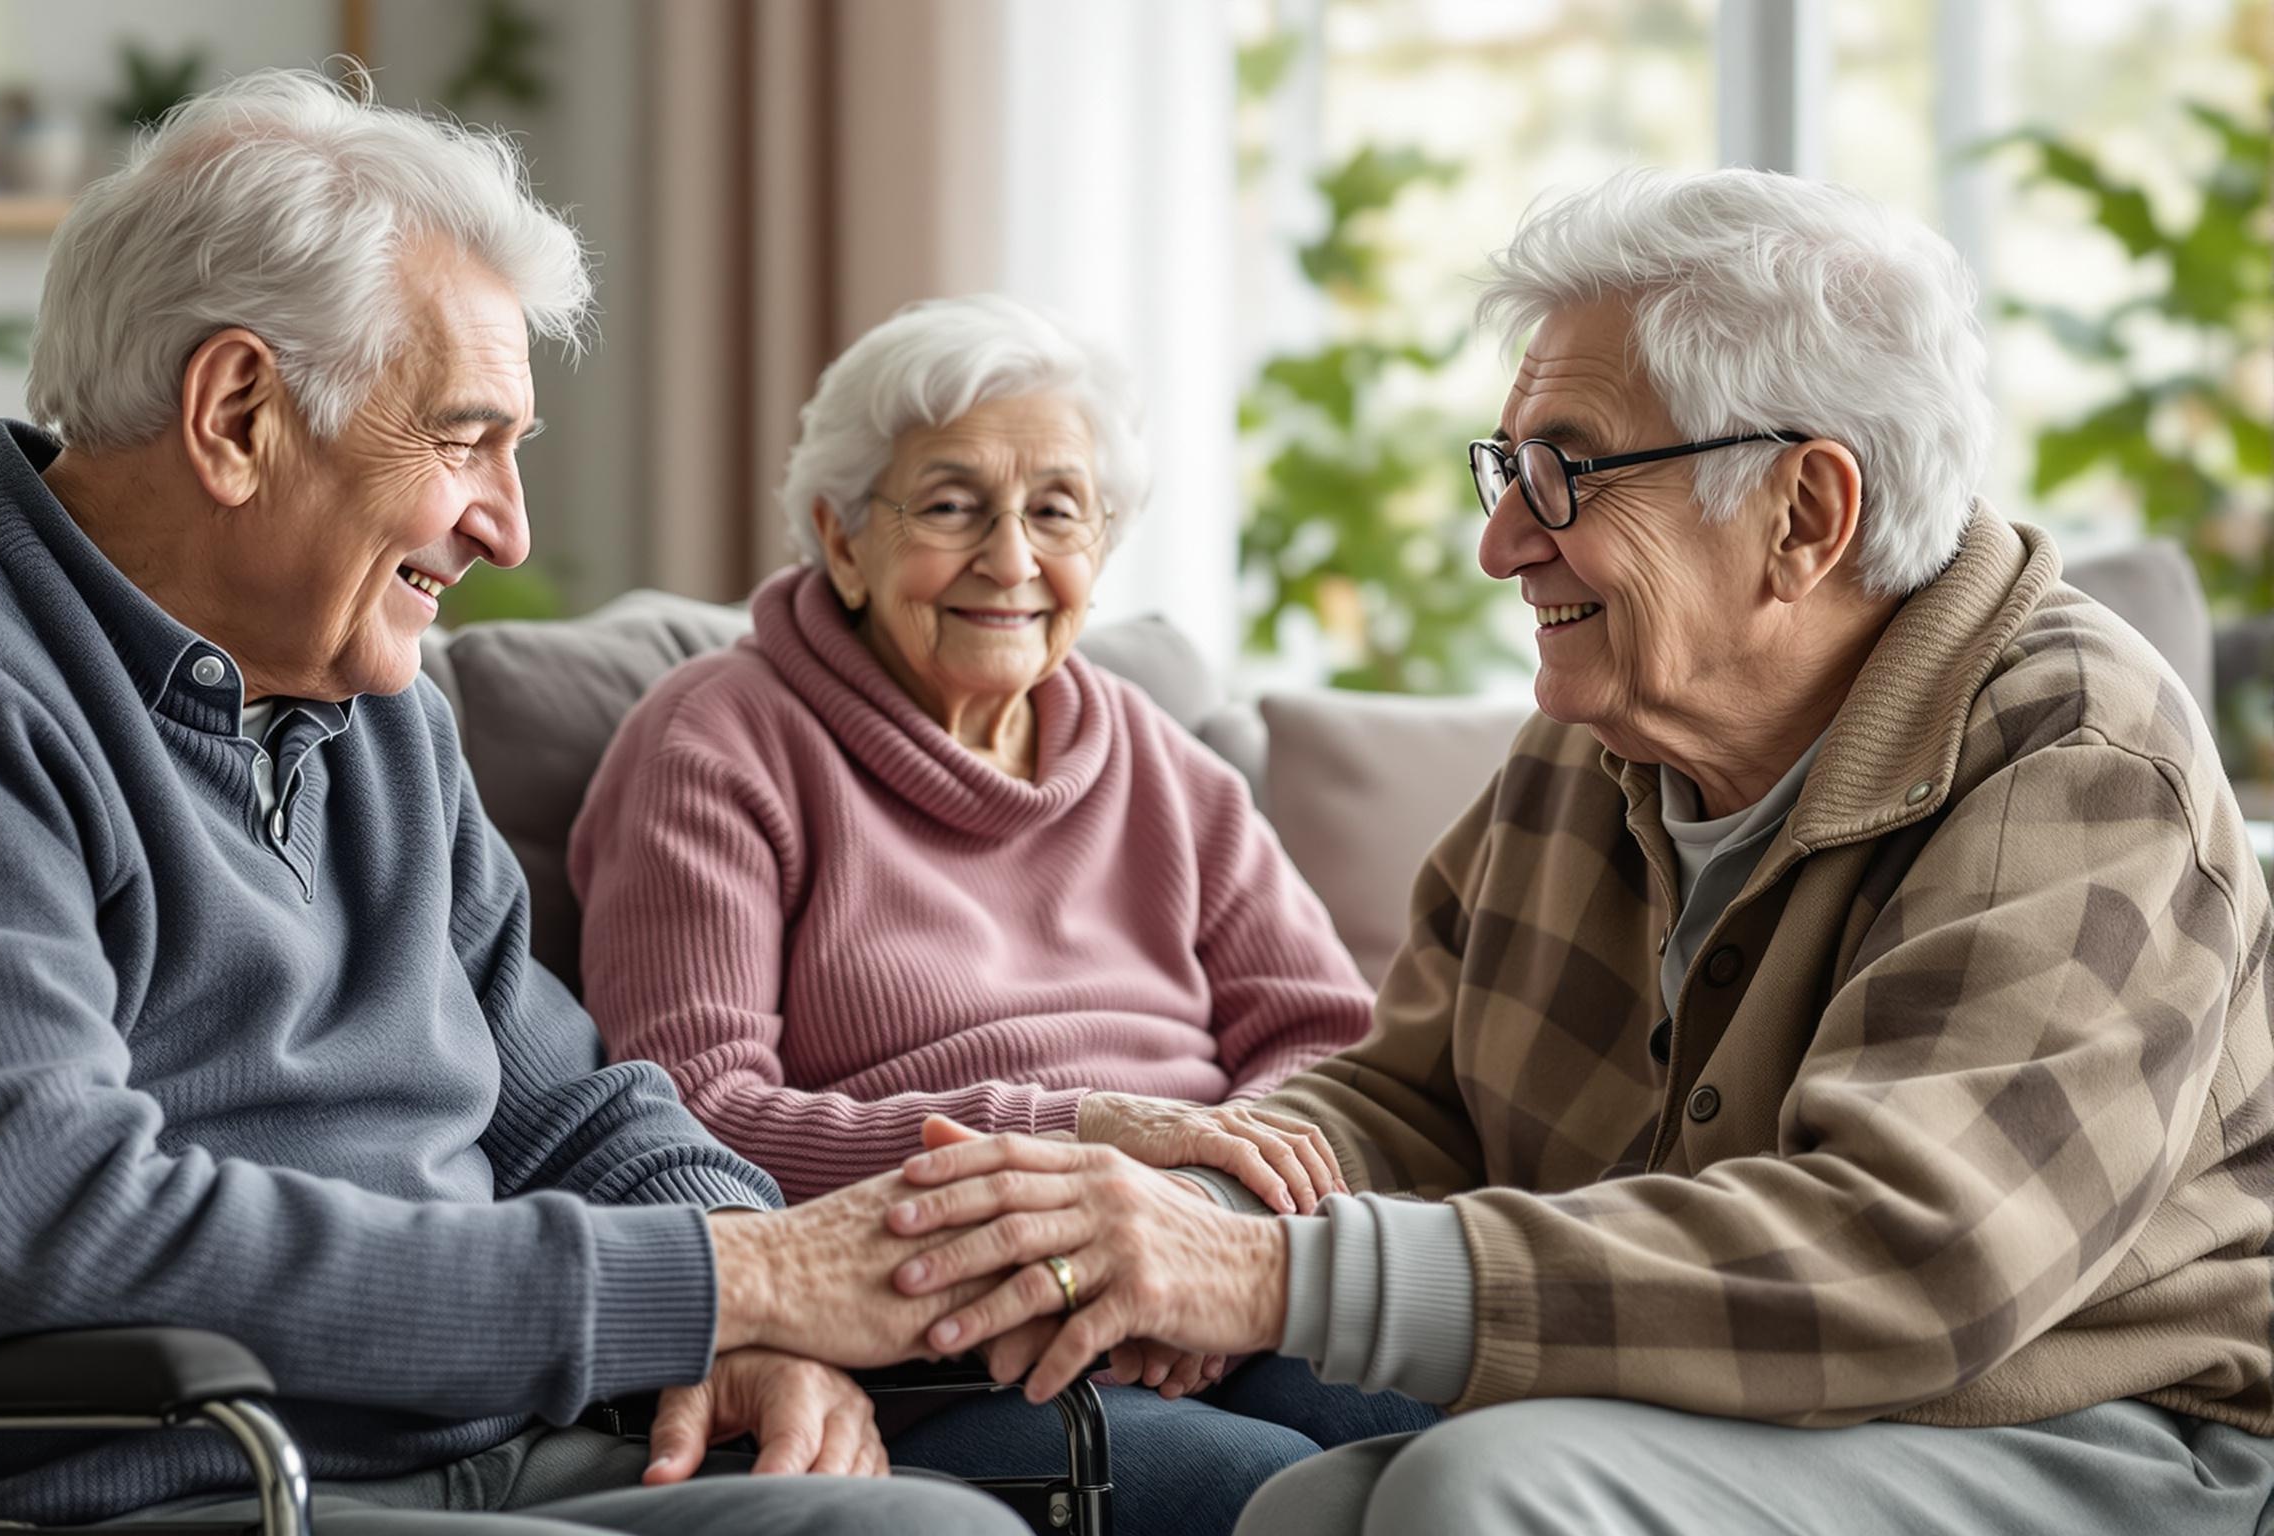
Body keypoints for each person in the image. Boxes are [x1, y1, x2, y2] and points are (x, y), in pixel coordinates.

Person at [0, 68, 1027, 1536]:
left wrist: (761, 1302)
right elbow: (38, 1226)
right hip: (151, 1491)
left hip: (491, 1466)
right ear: (238, 412)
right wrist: (720, 1284)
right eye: (462, 439)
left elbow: (570, 1114)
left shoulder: (377, 714)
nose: (508, 527)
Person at [845, 168, 2274, 1535]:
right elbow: (1414, 1105)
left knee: (1485, 1496)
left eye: (1566, 473)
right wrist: (1172, 1219)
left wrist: (1272, 1274)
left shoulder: (2079, 758)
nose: (1500, 543)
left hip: (2090, 1425)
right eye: (1507, 468)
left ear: (1804, 515)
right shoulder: (1598, 735)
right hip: (1755, 1406)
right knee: (1302, 1511)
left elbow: (1908, 1258)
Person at [569, 295, 1436, 1536]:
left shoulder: (1157, 758)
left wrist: (1201, 1234)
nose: (1013, 560)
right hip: (944, 1348)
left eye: (1057, 510)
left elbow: (1331, 1045)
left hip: (1213, 1289)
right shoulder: (716, 742)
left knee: (1452, 1444)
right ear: (842, 537)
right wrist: (1070, 1146)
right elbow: (690, 1112)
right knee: (1252, 1495)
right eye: (950, 505)